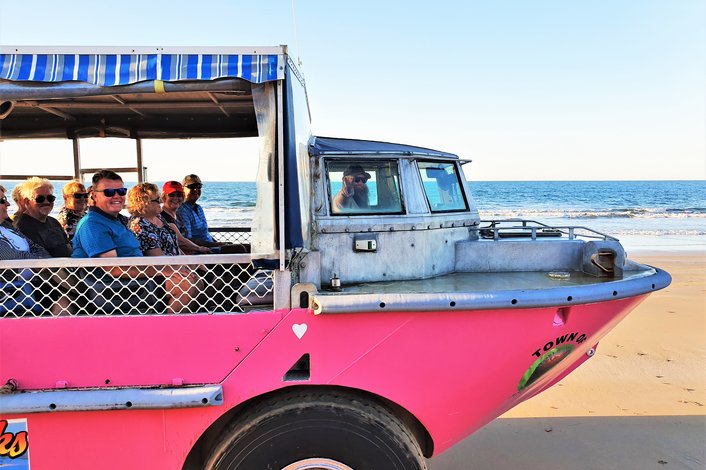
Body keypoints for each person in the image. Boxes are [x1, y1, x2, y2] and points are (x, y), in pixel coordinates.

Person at [72, 171, 198, 313]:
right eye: (109, 192)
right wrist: (165, 270)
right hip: (112, 289)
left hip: (133, 281)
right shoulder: (93, 224)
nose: (116, 196)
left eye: (121, 191)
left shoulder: (118, 220)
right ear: (95, 196)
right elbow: (114, 269)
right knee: (184, 284)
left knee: (193, 278)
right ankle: (166, 326)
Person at [14, 177, 72, 257]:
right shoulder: (21, 227)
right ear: (27, 202)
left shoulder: (54, 222)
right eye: (40, 199)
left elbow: (68, 247)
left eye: (50, 198)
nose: (46, 202)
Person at [177, 174, 231, 251]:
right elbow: (188, 239)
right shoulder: (182, 210)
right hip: (200, 251)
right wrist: (216, 245)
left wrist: (219, 243)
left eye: (198, 186)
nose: (195, 189)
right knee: (240, 249)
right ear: (183, 189)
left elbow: (205, 234)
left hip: (211, 246)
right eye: (191, 186)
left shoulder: (199, 208)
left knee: (244, 247)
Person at [126, 183, 181, 256]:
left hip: (178, 261)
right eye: (157, 200)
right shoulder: (139, 226)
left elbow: (174, 246)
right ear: (144, 203)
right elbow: (158, 258)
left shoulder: (158, 217)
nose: (161, 201)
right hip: (167, 263)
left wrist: (188, 260)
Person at [160, 181, 211, 254]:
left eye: (179, 195)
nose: (176, 198)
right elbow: (180, 241)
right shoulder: (162, 217)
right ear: (164, 197)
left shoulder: (178, 216)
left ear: (183, 197)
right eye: (171, 195)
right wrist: (199, 248)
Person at [0, 185, 50, 260]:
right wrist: (43, 260)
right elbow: (15, 258)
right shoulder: (20, 223)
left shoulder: (7, 225)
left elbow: (36, 247)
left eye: (5, 199)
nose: (8, 204)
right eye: (2, 200)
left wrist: (44, 259)